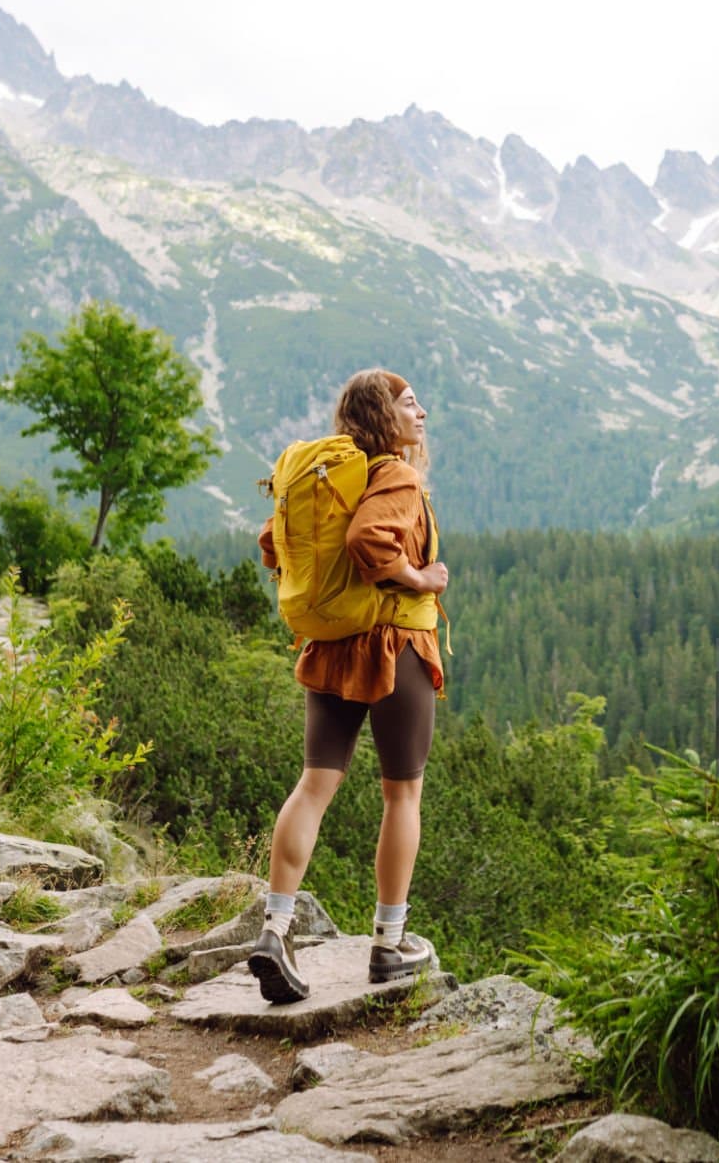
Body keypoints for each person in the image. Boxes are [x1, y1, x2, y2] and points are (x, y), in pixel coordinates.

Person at [249, 368, 448, 1002]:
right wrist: (420, 578)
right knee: (402, 797)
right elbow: (369, 538)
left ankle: (275, 927)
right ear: (385, 417)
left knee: (314, 785)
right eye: (410, 405)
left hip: (332, 648)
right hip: (396, 648)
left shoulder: (325, 477)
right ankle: (390, 945)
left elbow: (272, 545)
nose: (421, 414)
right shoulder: (395, 474)